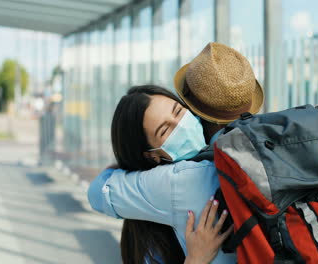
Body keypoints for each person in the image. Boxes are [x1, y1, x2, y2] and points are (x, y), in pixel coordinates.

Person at [88, 42, 264, 263]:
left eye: (179, 112)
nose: (181, 123)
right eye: (166, 129)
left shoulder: (176, 181)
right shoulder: (274, 146)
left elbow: (98, 191)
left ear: (195, 111)